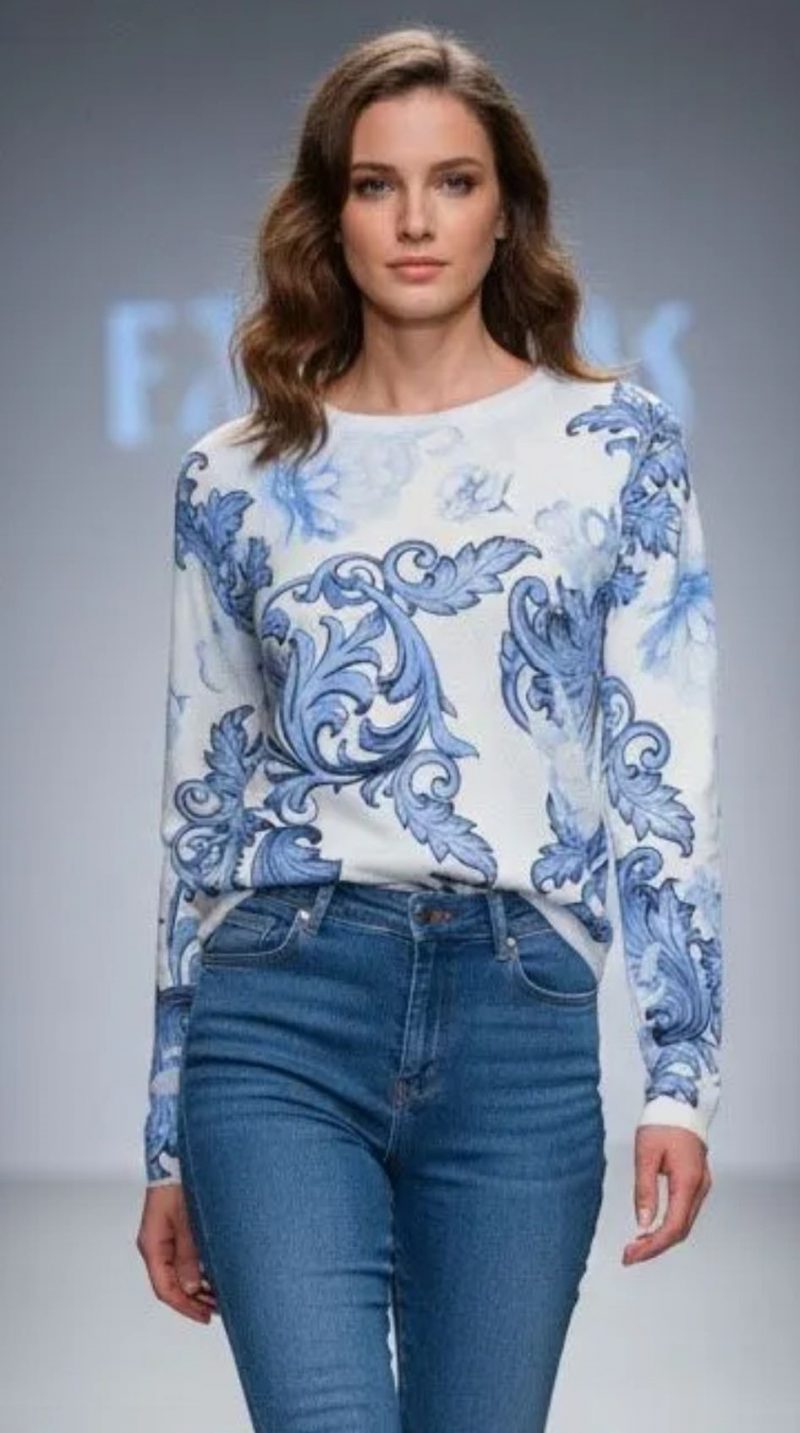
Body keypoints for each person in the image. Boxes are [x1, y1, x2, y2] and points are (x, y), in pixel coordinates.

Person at [136, 23, 723, 1433]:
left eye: (453, 182)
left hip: (519, 1024)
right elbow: (202, 801)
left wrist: (682, 1077)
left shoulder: (615, 445)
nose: (414, 220)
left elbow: (667, 766)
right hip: (281, 1007)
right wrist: (163, 1133)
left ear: (505, 210)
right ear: (328, 213)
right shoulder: (236, 473)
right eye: (375, 184)